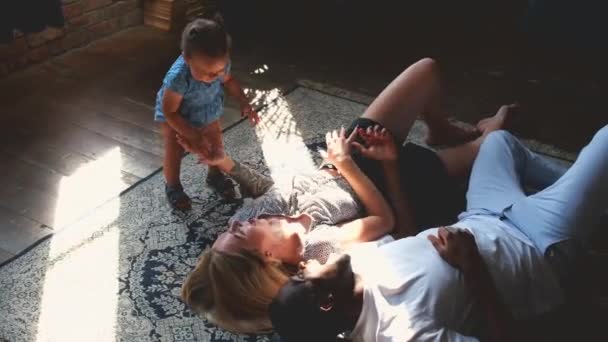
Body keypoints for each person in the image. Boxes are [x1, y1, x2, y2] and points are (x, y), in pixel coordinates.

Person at [180, 58, 511, 333]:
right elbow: (394, 227)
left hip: (349, 156)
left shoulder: (249, 219)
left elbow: (266, 189)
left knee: (427, 70)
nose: (236, 223)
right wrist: (355, 166)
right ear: (267, 255)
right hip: (394, 179)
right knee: (495, 142)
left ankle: (439, 128)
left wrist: (225, 163)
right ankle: (482, 137)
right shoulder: (322, 255)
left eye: (230, 228)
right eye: (237, 233)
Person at [269, 125, 608, 342]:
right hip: (535, 245)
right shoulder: (403, 334)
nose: (304, 266)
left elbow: (407, 237)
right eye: (301, 278)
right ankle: (582, 203)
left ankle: (587, 200)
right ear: (327, 303)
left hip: (482, 214)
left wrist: (390, 165)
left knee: (498, 143)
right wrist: (472, 266)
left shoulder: (354, 265)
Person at [154, 15, 260, 210]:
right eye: (209, 73)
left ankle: (215, 175)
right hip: (177, 116)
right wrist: (192, 134)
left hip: (207, 108)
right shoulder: (178, 77)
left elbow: (228, 81)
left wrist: (244, 101)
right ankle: (173, 186)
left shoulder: (219, 64)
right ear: (187, 58)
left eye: (219, 71)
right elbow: (169, 111)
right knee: (174, 149)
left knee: (215, 143)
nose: (214, 76)